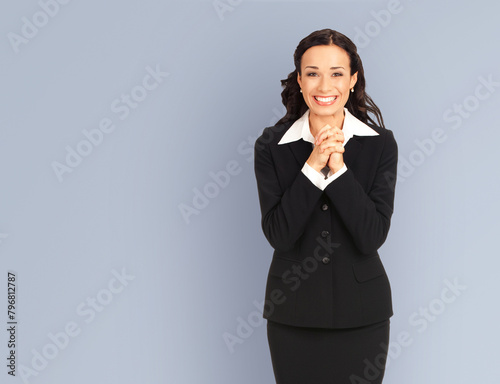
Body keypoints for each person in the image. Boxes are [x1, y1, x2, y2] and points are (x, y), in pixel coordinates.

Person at [253, 29, 398, 383]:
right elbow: (280, 234)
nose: (324, 85)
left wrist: (339, 169)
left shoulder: (380, 145)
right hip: (293, 314)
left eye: (336, 73)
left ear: (352, 80)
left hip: (363, 313)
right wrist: (312, 166)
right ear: (300, 81)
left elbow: (371, 236)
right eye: (313, 73)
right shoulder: (272, 145)